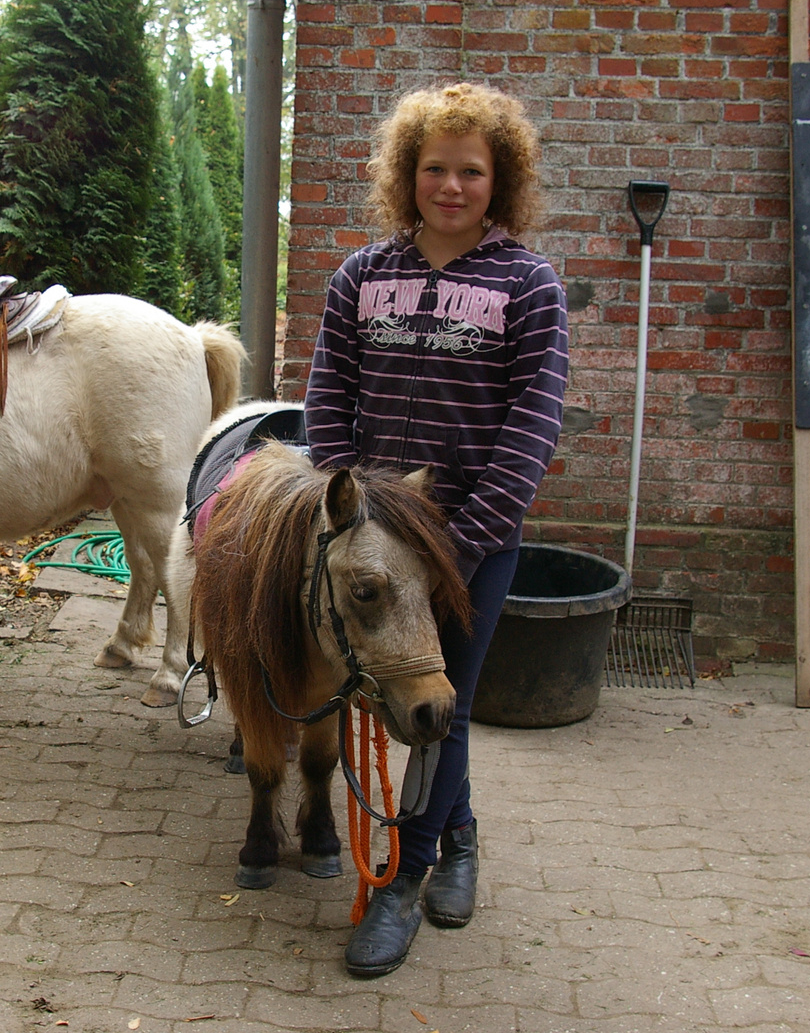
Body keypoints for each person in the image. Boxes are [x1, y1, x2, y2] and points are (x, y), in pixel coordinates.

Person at [302, 82, 569, 977]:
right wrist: (350, 519)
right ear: (404, 175)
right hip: (376, 545)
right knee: (391, 699)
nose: (450, 187)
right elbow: (328, 396)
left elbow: (534, 419)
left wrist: (474, 534)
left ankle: (403, 885)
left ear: (502, 179)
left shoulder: (527, 285)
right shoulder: (361, 275)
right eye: (433, 169)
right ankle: (460, 839)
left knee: (437, 713)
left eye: (471, 171)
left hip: (470, 546)